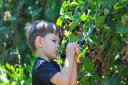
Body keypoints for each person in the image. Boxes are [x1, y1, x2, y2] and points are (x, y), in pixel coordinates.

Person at [25, 20, 79, 85]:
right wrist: (69, 56)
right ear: (40, 41)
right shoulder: (41, 66)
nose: (58, 46)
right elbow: (63, 82)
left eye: (58, 43)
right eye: (54, 41)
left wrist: (74, 58)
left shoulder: (53, 65)